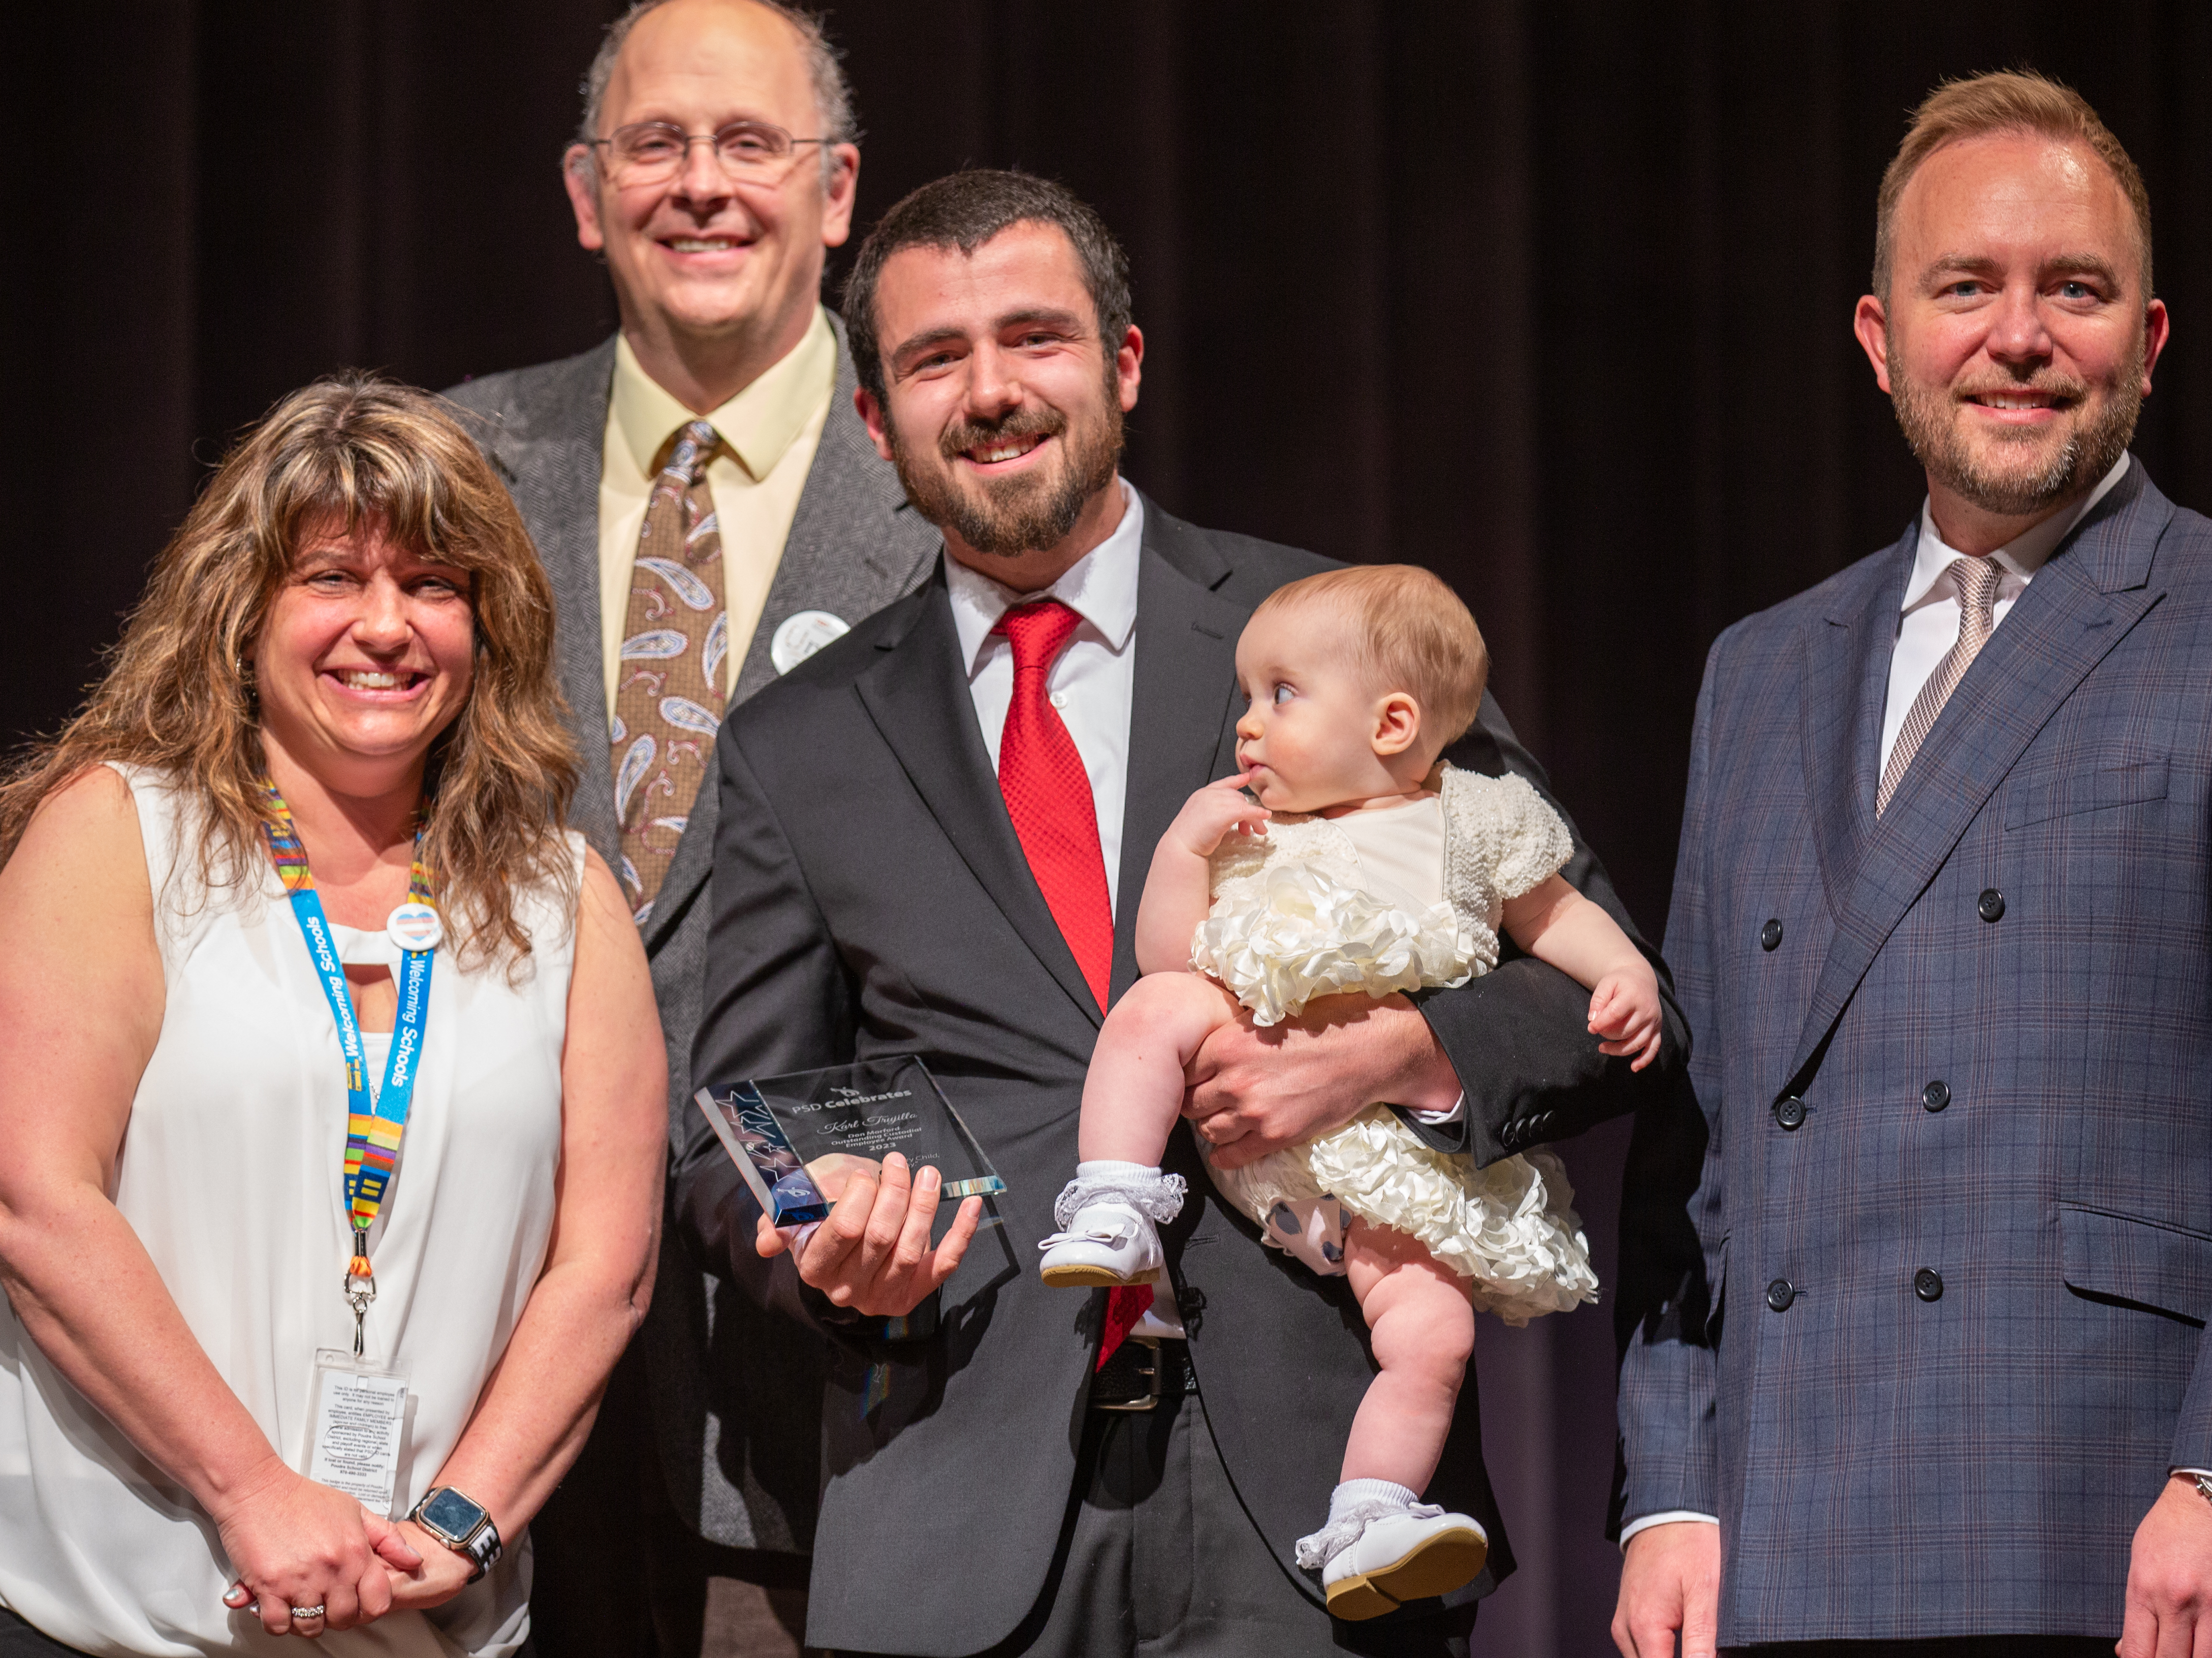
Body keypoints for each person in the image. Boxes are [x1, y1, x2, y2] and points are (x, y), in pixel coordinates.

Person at [678, 166, 1672, 1658]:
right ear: (874, 420)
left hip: (1326, 1498)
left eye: (1036, 338)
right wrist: (818, 1245)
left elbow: (1592, 999)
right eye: (935, 359)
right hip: (957, 1507)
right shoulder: (796, 739)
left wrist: (1391, 1055)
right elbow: (729, 1132)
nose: (992, 391)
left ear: (1124, 364)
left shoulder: (1334, 630)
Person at [1610, 70, 2212, 1658]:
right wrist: (1669, 1487)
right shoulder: (1762, 668)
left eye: (2074, 289)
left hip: (2118, 1529)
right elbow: (1698, 1139)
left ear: (2146, 339)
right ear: (1877, 340)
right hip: (1781, 1542)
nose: (2018, 336)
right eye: (1965, 287)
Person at [0, 379, 667, 1655]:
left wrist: (462, 1517)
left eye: (434, 584)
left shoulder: (568, 900)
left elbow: (604, 1268)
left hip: (419, 1621)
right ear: (242, 609)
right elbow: (25, 1194)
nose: (386, 625)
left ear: (488, 624)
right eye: (332, 576)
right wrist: (249, 1489)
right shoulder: (120, 832)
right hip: (76, 1609)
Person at [443, 0, 940, 1653]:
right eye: (655, 143)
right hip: (474, 1379)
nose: (703, 182)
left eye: (749, 139)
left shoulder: (954, 498)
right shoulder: (444, 472)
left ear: (838, 188)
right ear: (588, 195)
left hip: (836, 1402)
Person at [1038, 562, 1664, 1617]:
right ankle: (1112, 1198)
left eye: (1277, 695)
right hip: (1242, 1116)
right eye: (1247, 694)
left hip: (1385, 1162)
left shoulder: (1474, 818)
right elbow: (1164, 954)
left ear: (1391, 720)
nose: (1245, 725)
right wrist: (1184, 850)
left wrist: (1625, 973)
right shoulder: (1248, 823)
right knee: (1151, 1011)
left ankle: (1372, 1509)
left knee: (1433, 1334)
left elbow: (1552, 916)